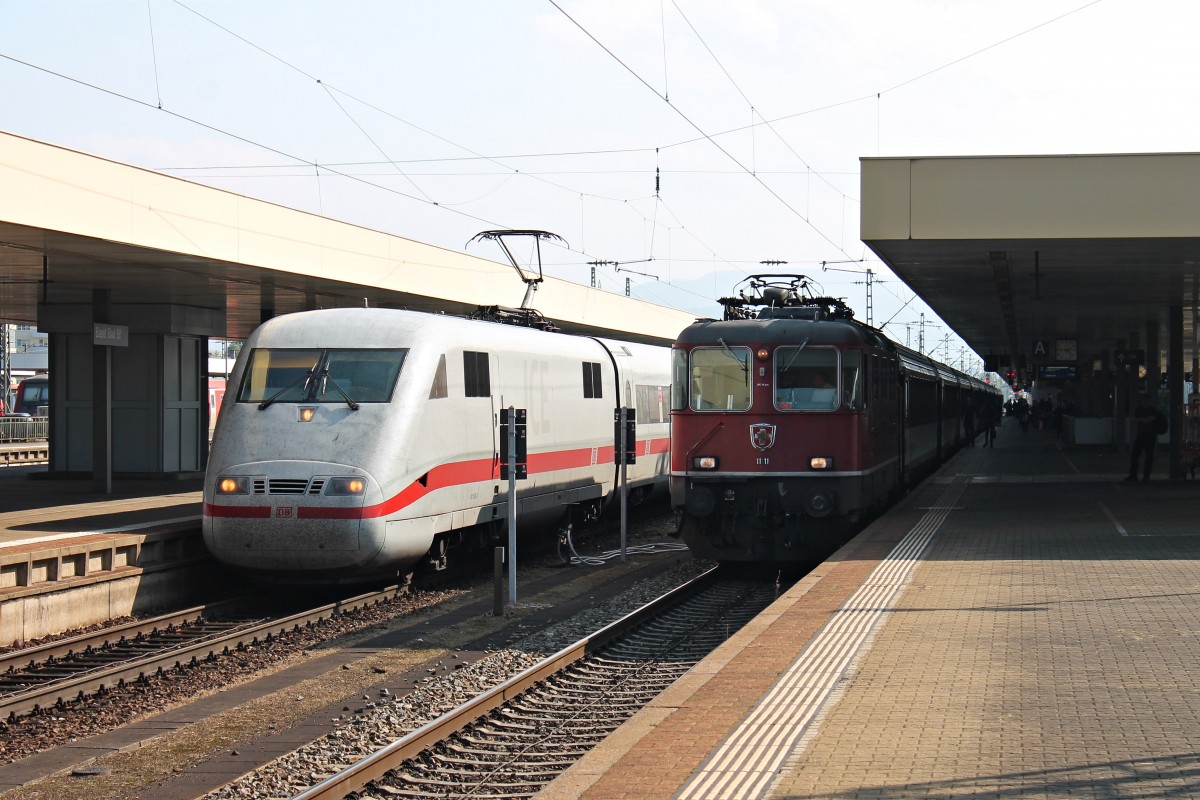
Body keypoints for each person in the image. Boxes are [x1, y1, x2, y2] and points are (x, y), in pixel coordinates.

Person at [1126, 393, 1159, 482]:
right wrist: (1143, 420)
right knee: (1135, 456)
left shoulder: (1152, 410)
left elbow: (1148, 420)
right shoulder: (1139, 409)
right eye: (1143, 400)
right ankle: (1133, 475)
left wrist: (1140, 420)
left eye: (1145, 400)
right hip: (1141, 436)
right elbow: (1134, 419)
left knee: (1148, 458)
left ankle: (1146, 476)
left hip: (1150, 436)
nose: (1144, 402)